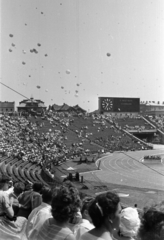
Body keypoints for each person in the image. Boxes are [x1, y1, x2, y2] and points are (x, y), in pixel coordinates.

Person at [0, 173, 27, 240]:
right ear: (4, 183)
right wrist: (11, 204)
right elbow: (11, 214)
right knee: (24, 220)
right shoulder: (3, 195)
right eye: (8, 183)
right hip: (1, 222)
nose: (9, 185)